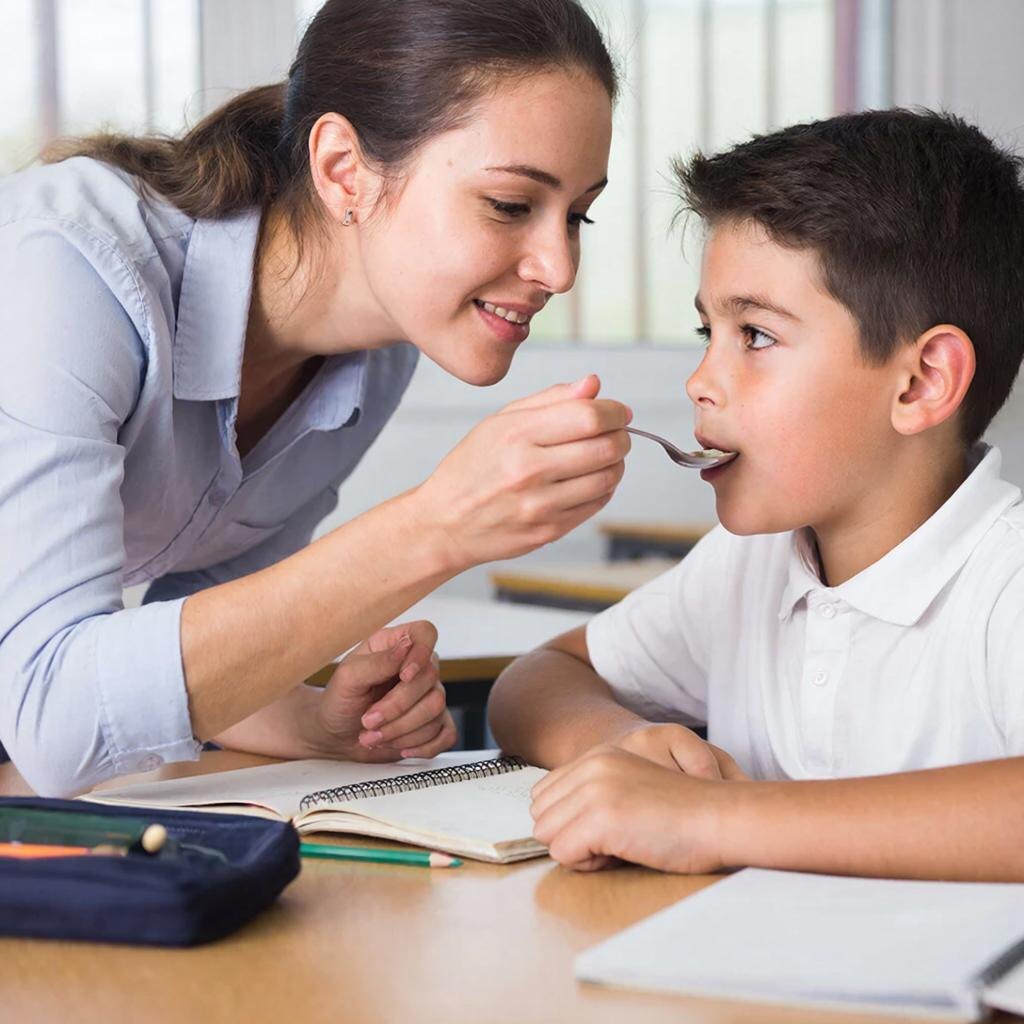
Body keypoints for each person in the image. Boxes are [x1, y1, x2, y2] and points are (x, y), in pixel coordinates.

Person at [0, 0, 632, 797]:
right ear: (342, 169)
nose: (560, 268)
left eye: (577, 216)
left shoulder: (378, 355)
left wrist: (309, 722)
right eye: (510, 205)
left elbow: (199, 625)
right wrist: (435, 526)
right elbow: (54, 715)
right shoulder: (69, 270)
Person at [489, 108, 1024, 882]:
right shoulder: (747, 566)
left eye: (757, 336)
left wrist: (709, 819)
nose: (700, 382)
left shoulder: (1006, 580)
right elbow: (535, 680)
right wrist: (617, 744)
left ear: (921, 382)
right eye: (706, 333)